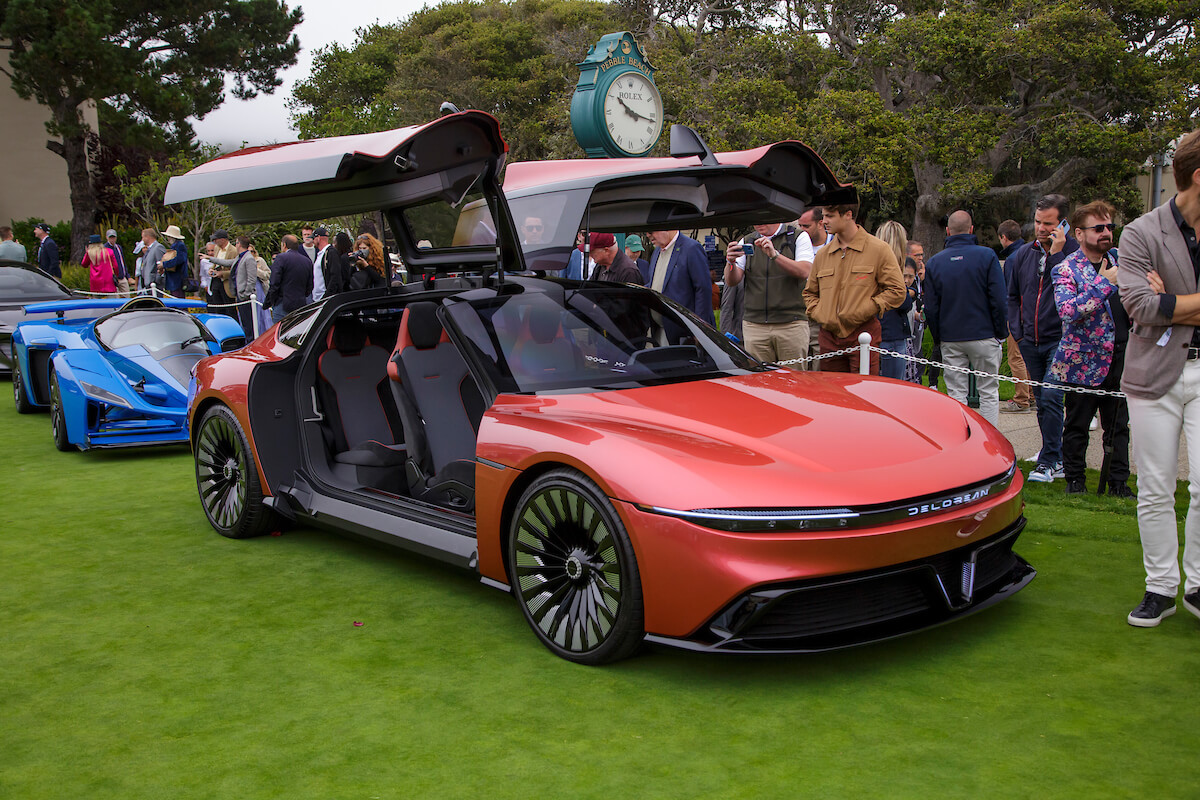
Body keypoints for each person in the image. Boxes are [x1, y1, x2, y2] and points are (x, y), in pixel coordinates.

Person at [1117, 128, 1200, 627]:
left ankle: (1197, 583)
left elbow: (1160, 307)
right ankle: (1160, 587)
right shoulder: (1141, 232)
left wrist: (1172, 303)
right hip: (1154, 376)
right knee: (1154, 487)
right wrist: (1160, 304)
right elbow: (1141, 306)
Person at [1049, 199, 1133, 497]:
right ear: (1079, 233)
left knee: (1119, 426)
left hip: (1121, 357)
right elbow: (1068, 311)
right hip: (1083, 361)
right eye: (1098, 228)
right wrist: (1103, 283)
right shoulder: (1066, 269)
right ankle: (1075, 480)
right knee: (1077, 425)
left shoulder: (1124, 261)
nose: (1106, 232)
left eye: (1110, 226)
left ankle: (1119, 482)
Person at [1007, 194, 1078, 483]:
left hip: (1061, 340)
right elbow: (1012, 295)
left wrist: (1056, 253)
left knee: (1051, 395)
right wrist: (1018, 331)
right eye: (1037, 222)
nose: (1040, 228)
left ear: (1063, 223)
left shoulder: (1074, 253)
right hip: (1030, 340)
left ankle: (1051, 460)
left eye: (1047, 223)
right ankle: (1054, 454)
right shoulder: (1024, 254)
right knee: (1043, 401)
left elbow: (1070, 287)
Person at [923, 211, 1008, 424]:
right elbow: (998, 299)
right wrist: (1000, 332)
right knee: (988, 391)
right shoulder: (987, 256)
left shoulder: (935, 262)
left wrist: (938, 337)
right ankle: (990, 443)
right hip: (984, 333)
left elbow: (931, 308)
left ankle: (962, 439)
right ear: (972, 229)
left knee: (956, 392)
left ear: (947, 231)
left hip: (951, 336)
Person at [803, 201, 905, 374]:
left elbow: (897, 291)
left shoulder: (878, 249)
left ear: (848, 215)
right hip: (828, 336)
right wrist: (822, 314)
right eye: (824, 215)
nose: (824, 221)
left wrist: (866, 309)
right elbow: (810, 294)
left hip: (863, 334)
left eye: (830, 216)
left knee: (863, 393)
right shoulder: (823, 254)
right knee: (831, 395)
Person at [723, 221, 815, 367]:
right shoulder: (747, 241)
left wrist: (775, 255)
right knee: (760, 381)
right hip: (755, 324)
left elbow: (805, 271)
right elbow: (732, 281)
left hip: (791, 323)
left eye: (764, 218)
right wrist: (731, 262)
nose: (758, 224)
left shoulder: (797, 236)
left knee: (794, 380)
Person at [998, 219, 1034, 412]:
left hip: (1017, 314)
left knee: (1016, 357)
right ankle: (1032, 394)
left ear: (1004, 237)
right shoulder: (1030, 252)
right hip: (1032, 314)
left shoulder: (1012, 259)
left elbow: (1011, 291)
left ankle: (1021, 399)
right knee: (1029, 356)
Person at [644, 230, 716, 326]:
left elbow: (703, 289)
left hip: (683, 332)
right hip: (658, 330)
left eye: (652, 230)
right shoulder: (657, 251)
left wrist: (699, 328)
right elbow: (654, 283)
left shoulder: (691, 248)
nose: (648, 235)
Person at [874, 221, 915, 380]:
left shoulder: (872, 266)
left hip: (876, 333)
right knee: (892, 388)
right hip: (891, 336)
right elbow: (903, 302)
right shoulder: (892, 270)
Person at [798, 208, 830, 367]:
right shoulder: (797, 244)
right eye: (799, 226)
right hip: (799, 312)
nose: (802, 231)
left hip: (823, 315)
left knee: (819, 364)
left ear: (820, 224)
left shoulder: (833, 245)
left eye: (806, 226)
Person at [265, 235, 313, 322]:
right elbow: (310, 286)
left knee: (280, 332)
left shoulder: (281, 258)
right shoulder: (307, 261)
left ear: (284, 245)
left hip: (282, 303)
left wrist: (273, 300)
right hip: (300, 304)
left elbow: (274, 282)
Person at [311, 226, 343, 300]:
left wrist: (327, 295)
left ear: (318, 238)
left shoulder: (331, 253)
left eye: (313, 238)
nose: (312, 241)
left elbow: (335, 275)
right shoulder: (320, 254)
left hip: (325, 298)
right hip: (318, 298)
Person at [158, 225, 189, 298]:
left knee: (178, 300)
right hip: (174, 280)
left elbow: (179, 259)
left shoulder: (179, 245)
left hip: (177, 279)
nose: (168, 238)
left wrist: (164, 264)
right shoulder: (175, 245)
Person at [105, 229, 129, 294]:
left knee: (127, 295)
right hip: (112, 279)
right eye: (110, 237)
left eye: (113, 237)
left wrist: (127, 275)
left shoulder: (118, 247)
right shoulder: (105, 248)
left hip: (122, 277)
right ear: (107, 237)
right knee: (116, 297)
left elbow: (122, 261)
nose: (112, 239)